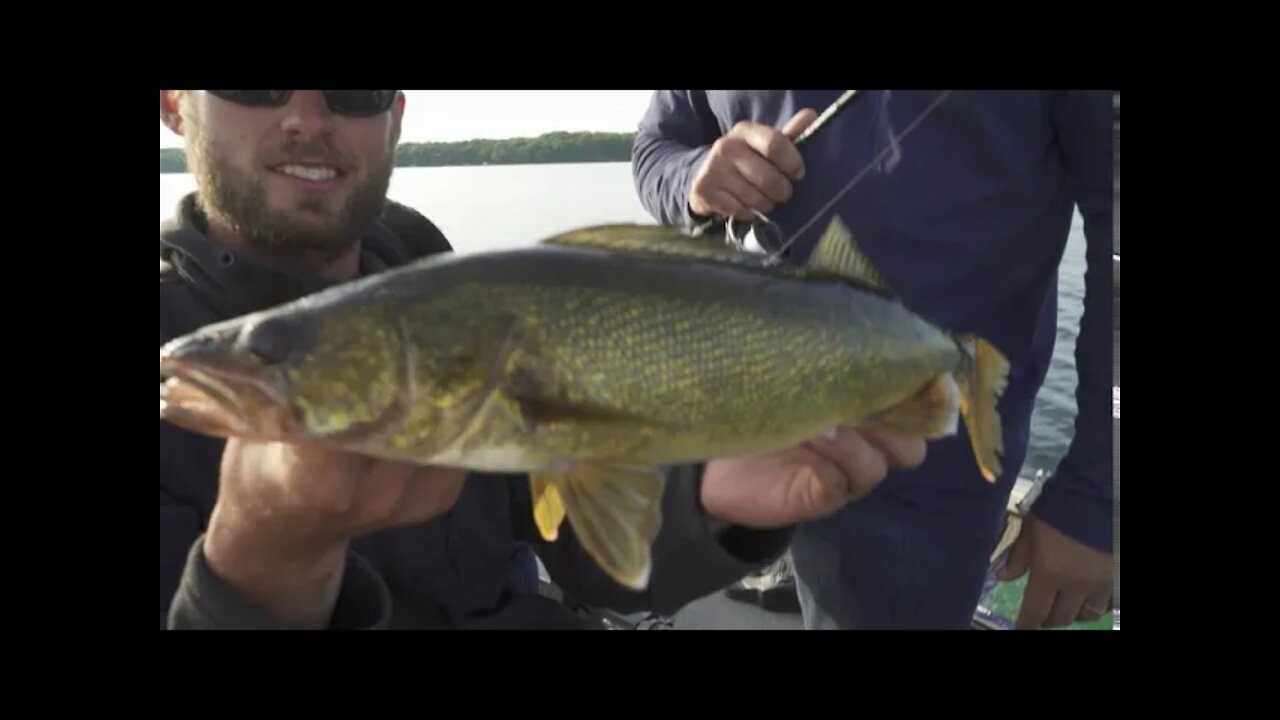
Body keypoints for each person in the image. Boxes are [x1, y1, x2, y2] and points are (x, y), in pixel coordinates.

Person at [158, 90, 928, 630]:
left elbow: (588, 551)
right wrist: (258, 575)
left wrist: (707, 510)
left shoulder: (439, 276)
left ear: (394, 118)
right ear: (174, 104)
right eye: (251, 83)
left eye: (355, 89)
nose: (305, 116)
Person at [631, 90, 1114, 630]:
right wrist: (696, 177)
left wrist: (1100, 489)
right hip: (738, 436)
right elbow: (655, 150)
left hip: (923, 478)